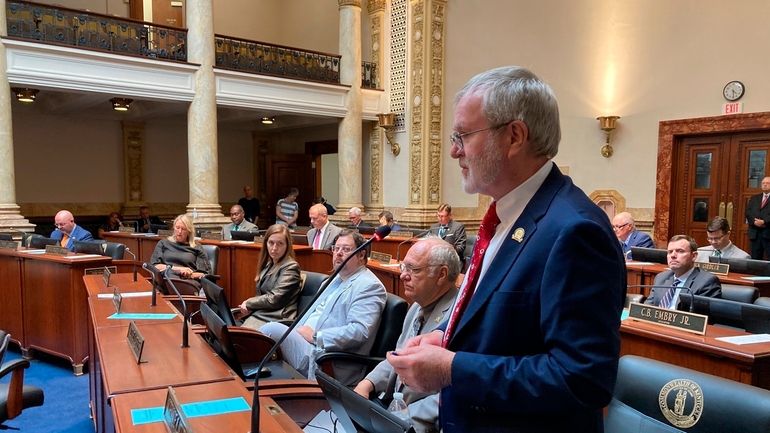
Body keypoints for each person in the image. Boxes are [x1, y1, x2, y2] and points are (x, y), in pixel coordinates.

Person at [385, 66, 626, 433]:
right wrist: (448, 338)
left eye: (463, 135)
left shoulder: (575, 230)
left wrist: (452, 368)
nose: (454, 151)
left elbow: (582, 380)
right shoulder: (505, 215)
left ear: (514, 136)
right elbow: (507, 327)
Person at [354, 237, 460, 433]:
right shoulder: (415, 307)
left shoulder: (459, 317)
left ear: (441, 274)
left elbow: (455, 393)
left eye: (414, 269)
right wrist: (367, 383)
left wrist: (405, 417)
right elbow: (398, 355)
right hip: (391, 409)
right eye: (404, 267)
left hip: (418, 424)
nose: (403, 275)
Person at [260, 230, 386, 386]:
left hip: (326, 358)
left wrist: (316, 336)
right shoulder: (333, 279)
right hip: (306, 343)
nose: (338, 253)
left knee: (269, 330)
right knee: (259, 336)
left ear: (361, 255)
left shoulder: (369, 285)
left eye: (346, 249)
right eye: (336, 248)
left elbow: (359, 331)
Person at [237, 224, 302, 329]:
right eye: (271, 243)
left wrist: (249, 302)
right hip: (263, 314)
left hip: (278, 319)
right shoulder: (269, 264)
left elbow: (275, 299)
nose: (274, 248)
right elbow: (261, 295)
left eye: (280, 243)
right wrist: (250, 309)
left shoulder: (291, 267)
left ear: (287, 246)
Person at [645, 235, 721, 308]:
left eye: (680, 251)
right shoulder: (661, 278)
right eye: (670, 252)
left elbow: (699, 317)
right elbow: (647, 308)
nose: (673, 255)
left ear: (694, 256)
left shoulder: (706, 282)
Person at [150, 214, 211, 281]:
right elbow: (154, 266)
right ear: (174, 228)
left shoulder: (197, 247)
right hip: (165, 279)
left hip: (187, 281)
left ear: (189, 231)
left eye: (183, 229)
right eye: (177, 228)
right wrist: (176, 269)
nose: (179, 232)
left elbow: (205, 274)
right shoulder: (163, 243)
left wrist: (189, 275)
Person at [746, 176, 770, 260]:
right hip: (755, 234)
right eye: (763, 183)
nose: (765, 185)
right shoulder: (754, 198)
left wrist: (764, 222)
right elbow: (748, 213)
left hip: (768, 232)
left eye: (767, 183)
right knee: (755, 259)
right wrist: (754, 222)